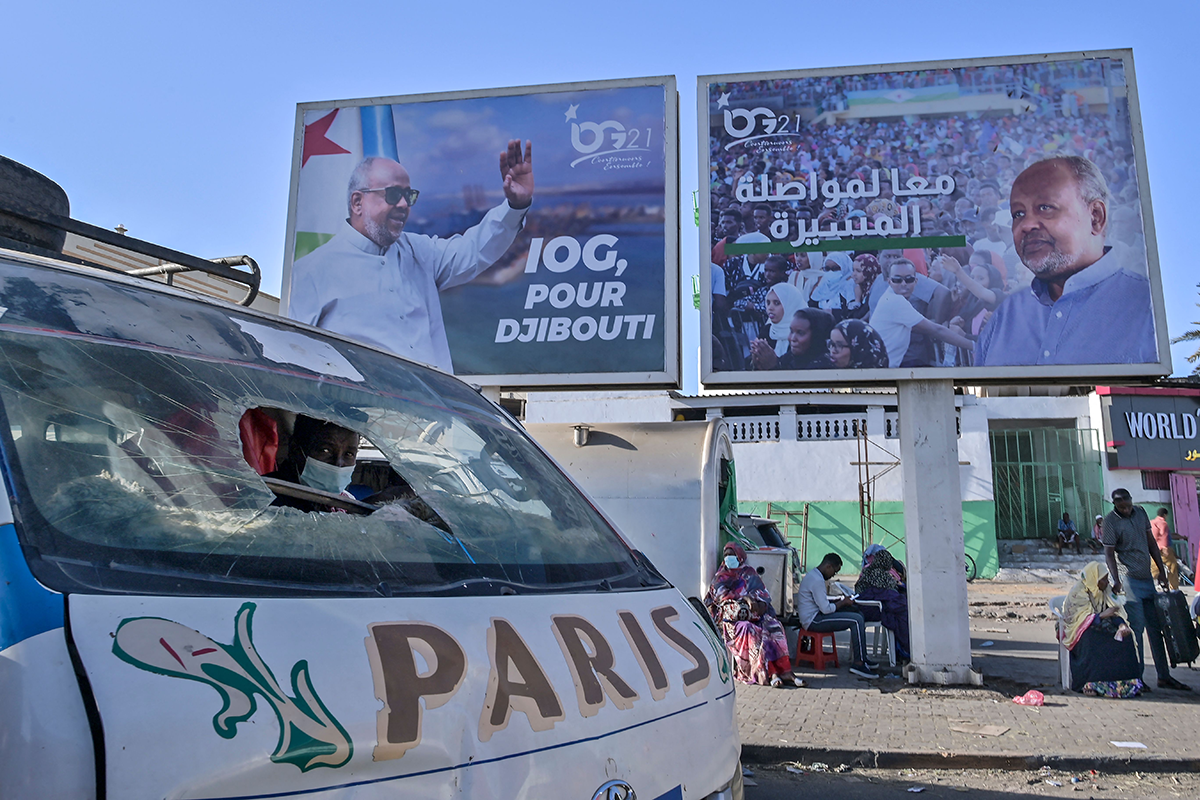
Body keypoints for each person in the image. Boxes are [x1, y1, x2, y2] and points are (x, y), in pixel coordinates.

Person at [288, 140, 535, 374]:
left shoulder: (419, 252)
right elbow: (296, 359)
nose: (405, 205)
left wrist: (515, 206)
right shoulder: (311, 271)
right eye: (394, 194)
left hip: (431, 411)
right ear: (357, 202)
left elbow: (474, 249)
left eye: (409, 195)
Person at [975, 156, 1157, 366]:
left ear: (1096, 217)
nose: (1026, 225)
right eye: (1018, 213)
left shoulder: (1147, 308)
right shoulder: (1005, 317)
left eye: (1045, 207)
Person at [1101, 488, 1191, 691]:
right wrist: (1116, 579)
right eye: (1121, 506)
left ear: (1132, 501)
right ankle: (1137, 677)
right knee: (1137, 629)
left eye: (1127, 505)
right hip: (1128, 578)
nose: (1125, 509)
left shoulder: (1140, 513)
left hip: (1146, 578)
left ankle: (1164, 676)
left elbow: (1151, 543)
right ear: (1115, 504)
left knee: (1157, 628)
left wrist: (1162, 571)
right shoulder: (1110, 522)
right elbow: (1109, 553)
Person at [704, 542, 802, 687]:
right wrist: (745, 598)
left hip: (755, 615)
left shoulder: (749, 572)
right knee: (750, 630)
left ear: (740, 556)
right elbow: (721, 596)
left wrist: (758, 601)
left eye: (732, 555)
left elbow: (763, 592)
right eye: (726, 555)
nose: (729, 558)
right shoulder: (721, 576)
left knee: (774, 627)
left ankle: (785, 670)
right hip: (731, 620)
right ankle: (767, 673)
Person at [869, 259, 974, 368]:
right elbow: (936, 330)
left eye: (909, 279)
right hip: (879, 371)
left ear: (916, 281)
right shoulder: (895, 301)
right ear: (889, 281)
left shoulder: (891, 298)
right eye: (897, 279)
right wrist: (974, 346)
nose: (904, 284)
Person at [1060, 561, 1142, 697]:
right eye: (1103, 579)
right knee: (1092, 640)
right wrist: (1102, 615)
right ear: (1094, 578)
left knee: (1125, 639)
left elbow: (1115, 610)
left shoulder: (1106, 590)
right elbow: (1076, 620)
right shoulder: (1078, 593)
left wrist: (1122, 625)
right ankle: (1091, 685)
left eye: (1106, 578)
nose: (1106, 582)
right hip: (1080, 630)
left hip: (1102, 625)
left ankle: (1128, 685)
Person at [797, 553, 878, 679]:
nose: (833, 575)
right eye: (834, 572)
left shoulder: (814, 575)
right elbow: (826, 609)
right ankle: (858, 663)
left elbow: (821, 602)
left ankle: (863, 657)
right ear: (828, 566)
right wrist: (843, 602)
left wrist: (840, 601)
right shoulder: (817, 580)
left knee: (857, 613)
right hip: (814, 621)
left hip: (816, 615)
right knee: (856, 620)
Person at [267, 415, 360, 513]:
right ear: (296, 451)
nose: (338, 464)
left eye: (349, 454)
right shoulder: (266, 498)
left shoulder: (345, 501)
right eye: (325, 450)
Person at [854, 547, 911, 661]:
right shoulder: (880, 574)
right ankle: (906, 649)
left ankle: (901, 650)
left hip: (863, 607)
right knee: (903, 613)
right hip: (874, 609)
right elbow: (892, 590)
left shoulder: (867, 571)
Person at [755, 307, 834, 371]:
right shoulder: (791, 356)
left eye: (800, 333)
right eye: (791, 331)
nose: (792, 338)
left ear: (817, 336)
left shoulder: (824, 365)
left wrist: (773, 367)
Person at [1150, 508, 1180, 591]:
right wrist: (1165, 547)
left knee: (1154, 568)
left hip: (1153, 549)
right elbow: (1164, 535)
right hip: (1163, 549)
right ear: (1165, 515)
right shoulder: (1163, 523)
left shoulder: (1152, 522)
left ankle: (1151, 585)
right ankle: (1174, 587)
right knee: (1172, 566)